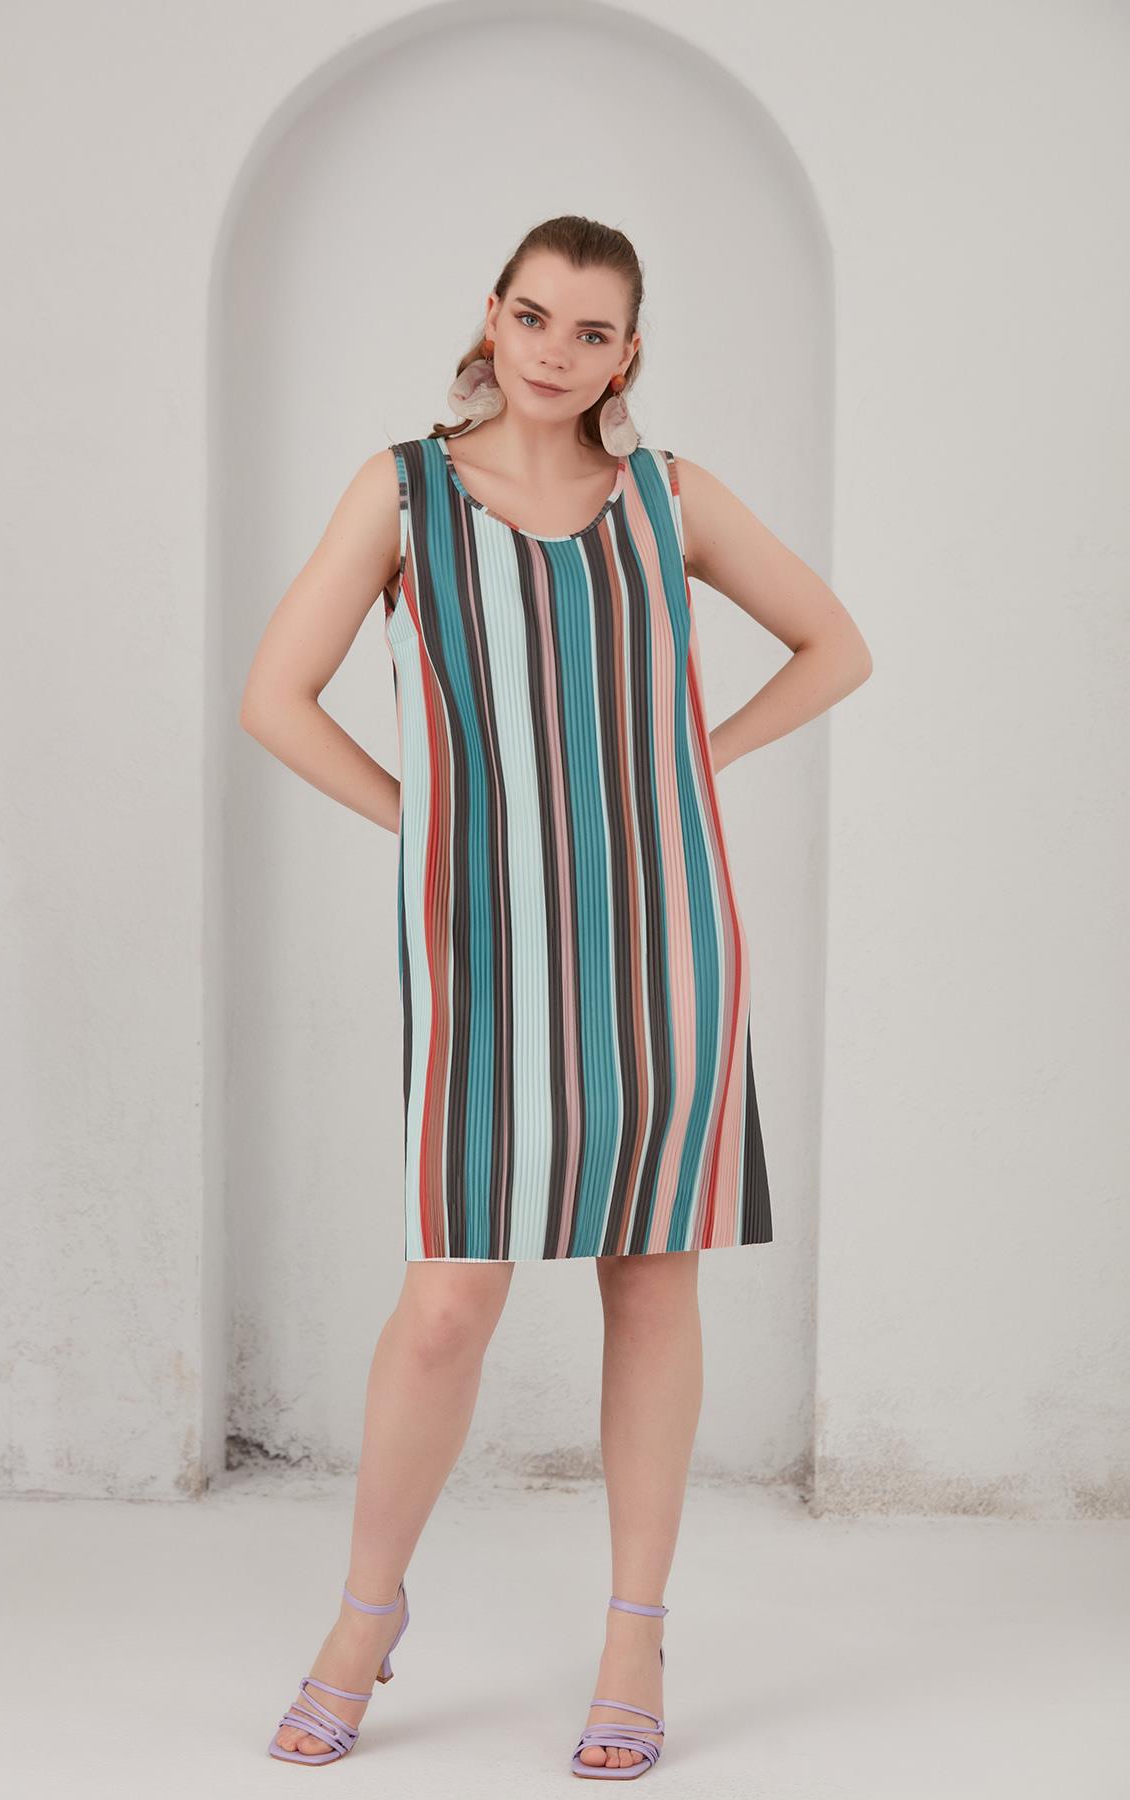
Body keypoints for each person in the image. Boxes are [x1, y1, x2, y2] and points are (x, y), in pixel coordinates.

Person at [240, 214, 872, 1778]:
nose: (554, 350)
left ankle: (633, 1635)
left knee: (652, 1278)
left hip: (667, 938)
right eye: (533, 316)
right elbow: (274, 698)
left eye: (592, 332)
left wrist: (693, 762)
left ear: (627, 353)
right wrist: (430, 822)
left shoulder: (670, 498)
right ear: (493, 315)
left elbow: (835, 646)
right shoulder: (402, 492)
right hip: (480, 941)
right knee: (450, 1297)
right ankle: (365, 1616)